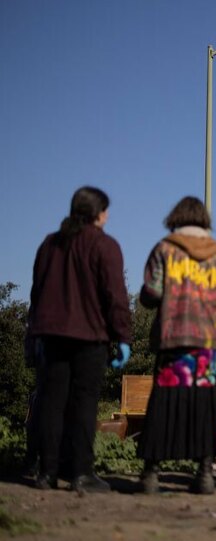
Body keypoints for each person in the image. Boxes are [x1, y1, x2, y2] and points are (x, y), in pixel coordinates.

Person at [27, 186, 132, 493]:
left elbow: (37, 290)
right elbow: (115, 295)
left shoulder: (49, 244)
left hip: (50, 335)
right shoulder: (105, 245)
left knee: (51, 403)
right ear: (97, 213)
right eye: (106, 210)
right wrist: (122, 335)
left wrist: (34, 331)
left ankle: (46, 472)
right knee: (84, 404)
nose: (108, 215)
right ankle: (81, 473)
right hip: (89, 337)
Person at [136, 196, 216, 494]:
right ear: (204, 220)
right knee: (204, 406)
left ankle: (151, 474)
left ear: (176, 217)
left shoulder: (165, 249)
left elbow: (152, 292)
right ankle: (204, 474)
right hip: (205, 344)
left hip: (173, 339)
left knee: (164, 402)